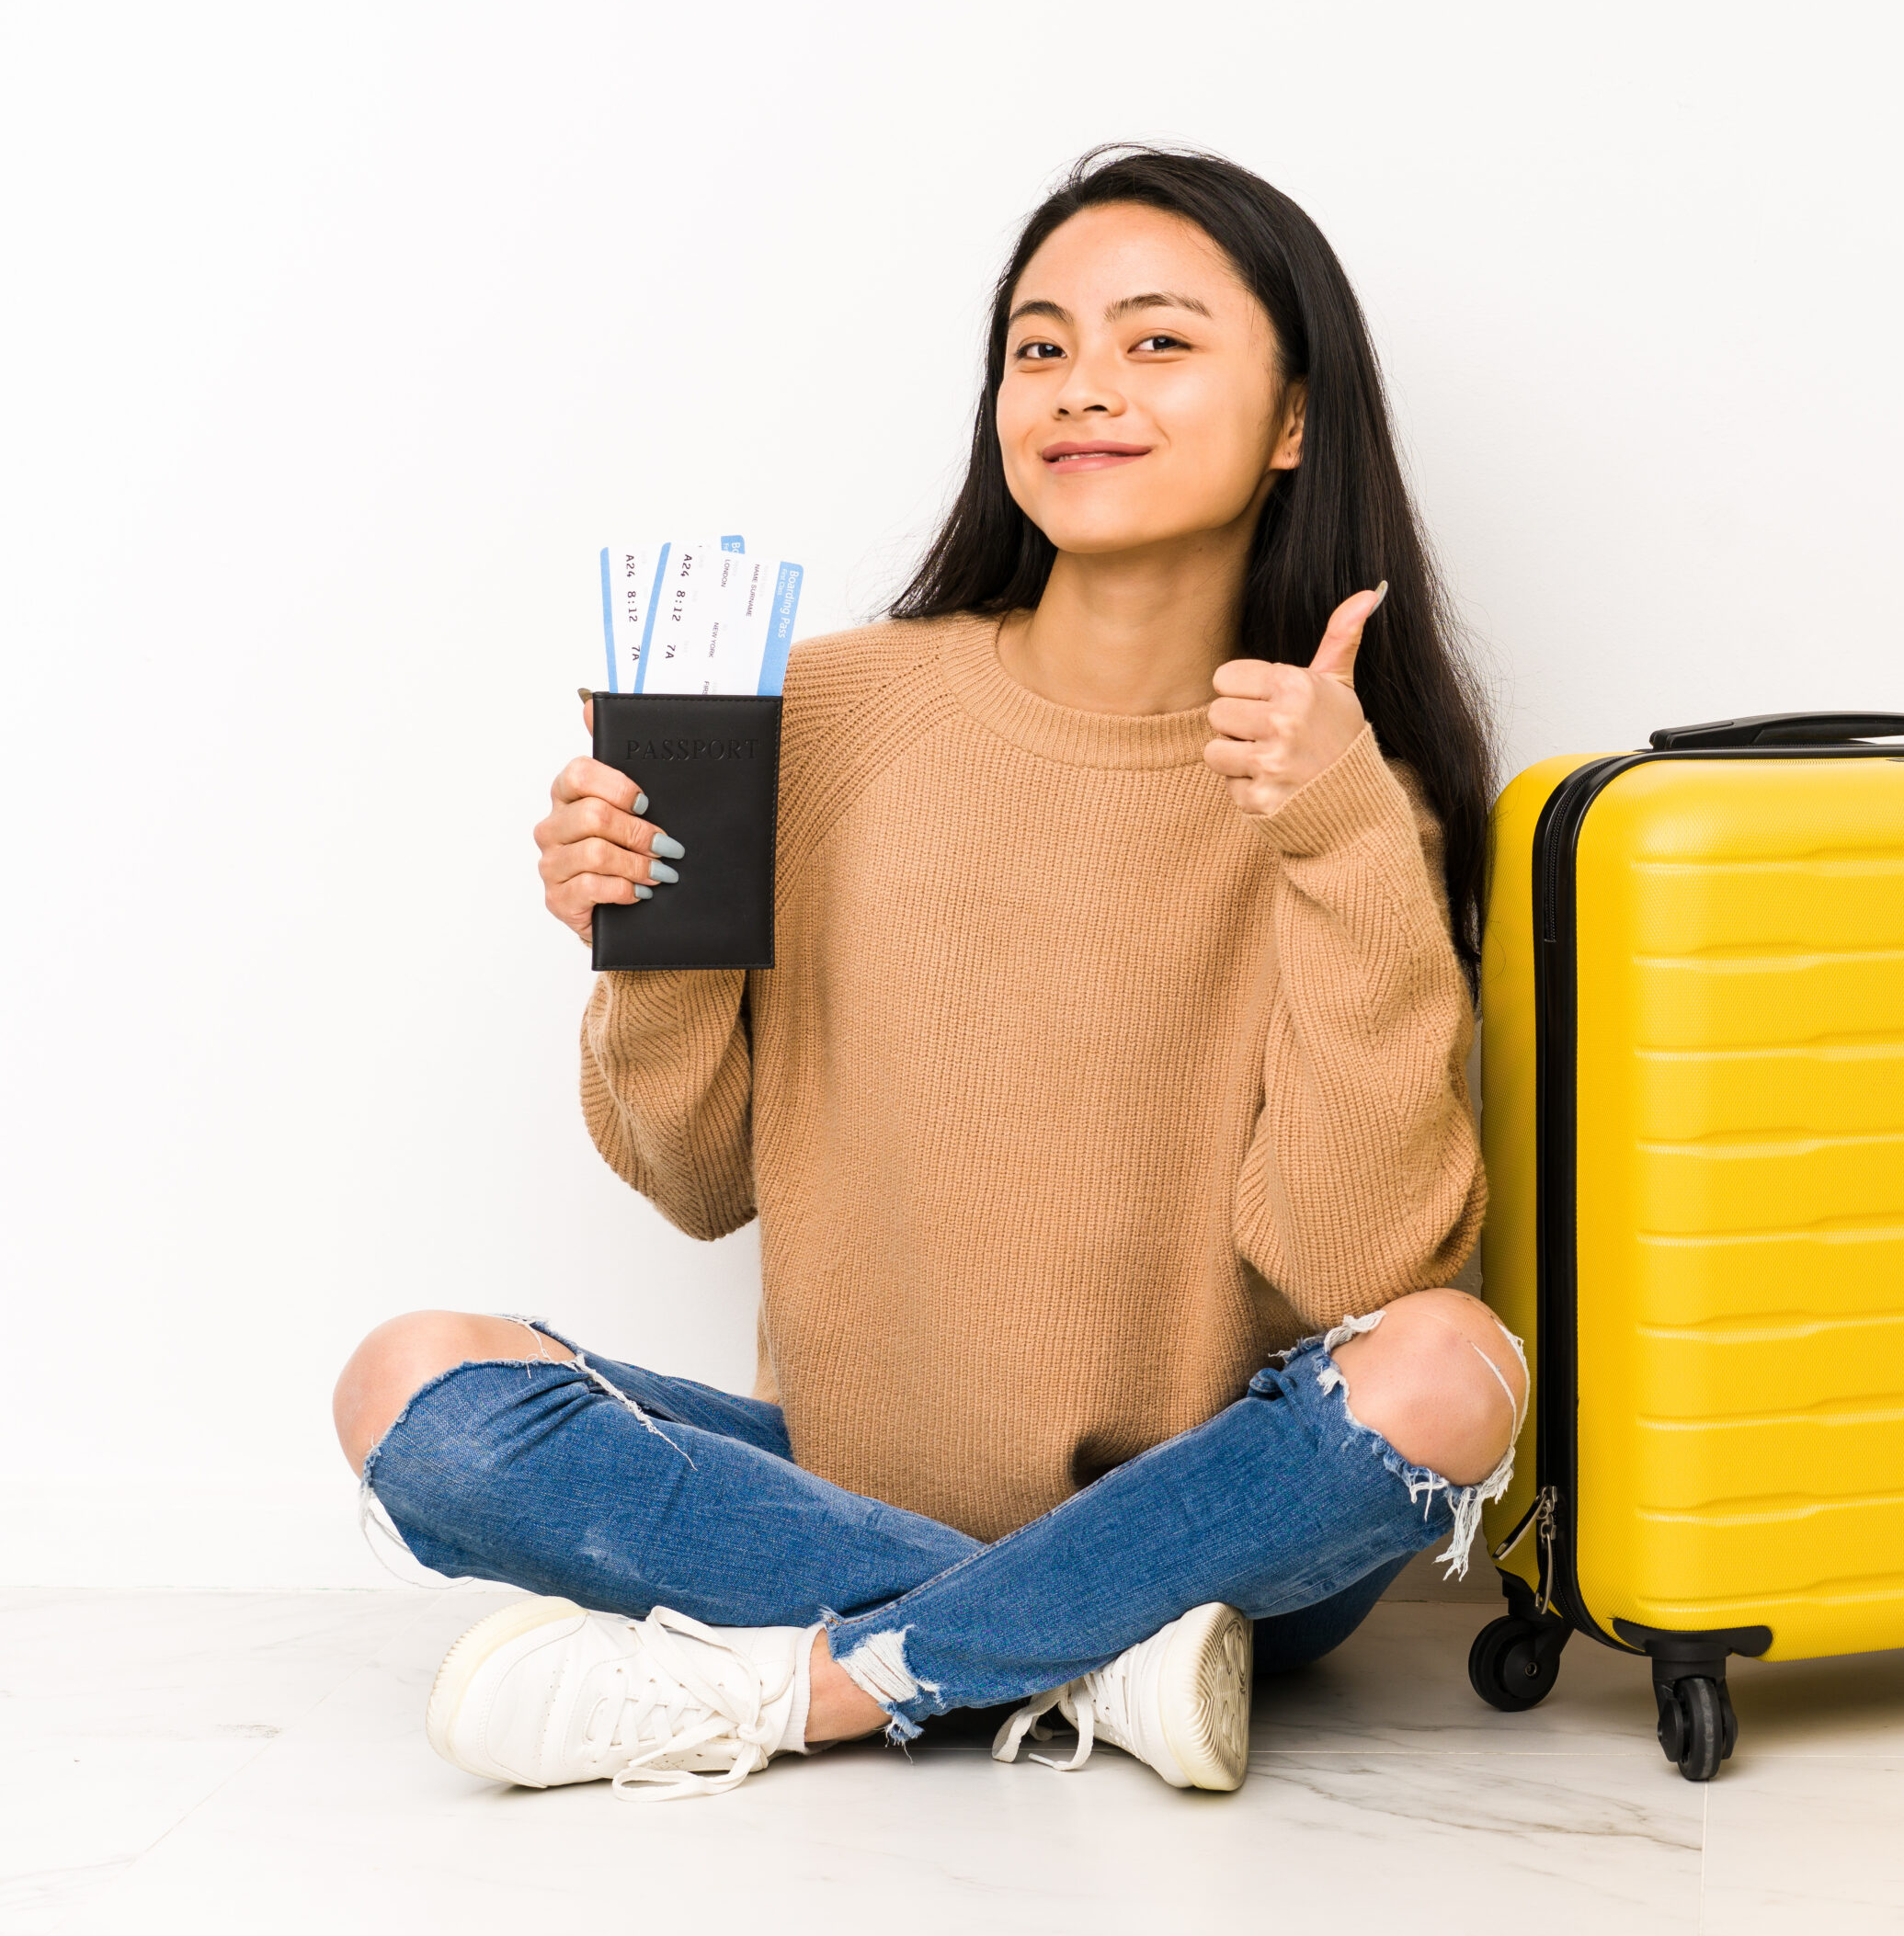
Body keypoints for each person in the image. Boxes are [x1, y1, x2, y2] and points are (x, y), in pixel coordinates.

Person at [331, 148, 1522, 1802]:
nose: (1082, 386)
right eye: (1040, 347)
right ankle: (1099, 1655)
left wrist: (1338, 841)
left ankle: (808, 1687)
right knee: (412, 1385)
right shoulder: (826, 714)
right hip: (842, 1485)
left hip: (1208, 1514)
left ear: (1296, 422)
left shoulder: (1334, 788)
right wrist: (646, 937)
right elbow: (694, 1181)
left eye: (1156, 344)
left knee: (1453, 1365)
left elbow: (1354, 1271)